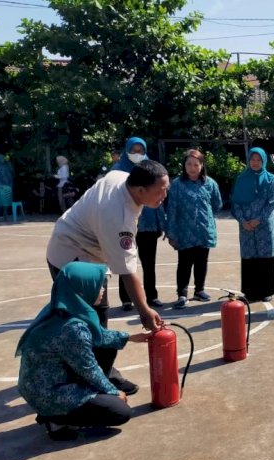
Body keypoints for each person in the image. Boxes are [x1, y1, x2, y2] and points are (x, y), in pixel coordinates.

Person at [46, 160, 168, 395]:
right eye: (160, 191)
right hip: (71, 259)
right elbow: (127, 271)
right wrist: (144, 311)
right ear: (141, 189)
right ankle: (88, 383)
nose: (164, 195)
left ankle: (103, 371)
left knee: (97, 317)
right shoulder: (117, 216)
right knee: (85, 323)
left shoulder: (122, 178)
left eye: (166, 188)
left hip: (90, 255)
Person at [16, 262, 149, 440]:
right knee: (120, 411)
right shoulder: (72, 328)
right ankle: (55, 419)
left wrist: (131, 337)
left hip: (39, 385)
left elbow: (98, 336)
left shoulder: (61, 307)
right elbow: (89, 368)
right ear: (81, 288)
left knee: (107, 347)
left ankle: (66, 408)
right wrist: (113, 392)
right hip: (50, 393)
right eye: (98, 285)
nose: (102, 289)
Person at [112, 137, 166, 311]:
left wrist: (160, 223)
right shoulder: (117, 172)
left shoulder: (151, 170)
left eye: (140, 151)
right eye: (133, 150)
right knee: (125, 261)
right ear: (126, 151)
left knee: (149, 263)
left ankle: (152, 296)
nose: (137, 154)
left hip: (148, 225)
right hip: (126, 225)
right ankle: (126, 299)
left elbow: (159, 198)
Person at [166, 149, 223, 309]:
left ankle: (199, 290)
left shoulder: (210, 183)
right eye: (189, 164)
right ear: (184, 165)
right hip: (184, 232)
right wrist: (171, 232)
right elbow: (172, 209)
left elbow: (217, 204)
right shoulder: (177, 185)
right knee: (184, 263)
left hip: (204, 230)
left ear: (202, 165)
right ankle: (182, 294)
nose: (192, 168)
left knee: (201, 262)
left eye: (196, 164)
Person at [231, 147, 274, 303]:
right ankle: (250, 292)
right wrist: (243, 221)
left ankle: (266, 290)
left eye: (259, 160)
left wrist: (259, 219)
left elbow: (272, 202)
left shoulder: (270, 179)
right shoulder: (241, 179)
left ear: (263, 161)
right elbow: (236, 203)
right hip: (246, 226)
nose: (255, 163)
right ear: (248, 160)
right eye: (253, 159)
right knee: (249, 258)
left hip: (264, 225)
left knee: (265, 257)